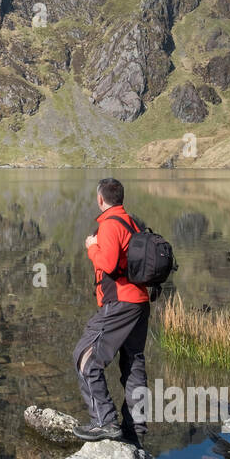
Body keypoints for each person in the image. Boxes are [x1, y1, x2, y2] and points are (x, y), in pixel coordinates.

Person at [71, 178, 151, 441]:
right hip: (140, 302)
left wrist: (91, 248)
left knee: (85, 358)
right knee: (133, 363)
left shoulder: (109, 225)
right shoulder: (133, 222)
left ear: (100, 199)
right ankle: (135, 429)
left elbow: (108, 263)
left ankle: (104, 421)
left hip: (120, 303)